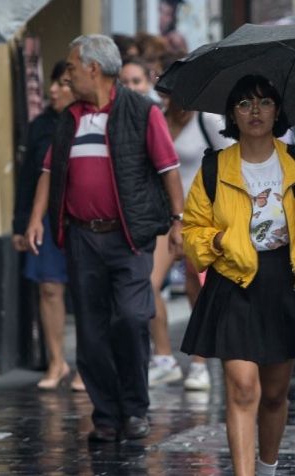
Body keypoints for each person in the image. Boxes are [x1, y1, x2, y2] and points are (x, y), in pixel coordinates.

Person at [24, 35, 184, 442]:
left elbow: (168, 168)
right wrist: (36, 219)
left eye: (73, 68)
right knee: (92, 331)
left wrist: (179, 219)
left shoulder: (142, 112)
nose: (68, 75)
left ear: (93, 69)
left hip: (128, 236)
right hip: (82, 238)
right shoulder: (68, 119)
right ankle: (107, 416)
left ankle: (135, 408)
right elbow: (48, 172)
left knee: (131, 318)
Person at [180, 75, 295, 476]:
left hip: (284, 280)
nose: (255, 111)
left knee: (273, 394)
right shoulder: (215, 167)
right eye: (245, 104)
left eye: (265, 102)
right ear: (232, 114)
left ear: (277, 111)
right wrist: (218, 241)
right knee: (243, 389)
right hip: (233, 282)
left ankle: (267, 468)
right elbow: (193, 230)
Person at [147, 98, 232, 390]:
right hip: (166, 216)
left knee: (198, 290)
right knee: (148, 285)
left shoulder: (206, 120)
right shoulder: (156, 118)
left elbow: (229, 163)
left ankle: (199, 363)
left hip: (201, 217)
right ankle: (163, 358)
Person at [12, 61, 85, 393]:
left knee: (87, 292)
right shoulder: (41, 125)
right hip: (47, 216)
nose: (53, 90)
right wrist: (21, 223)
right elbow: (28, 178)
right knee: (49, 288)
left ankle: (87, 364)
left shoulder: (91, 121)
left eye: (63, 84)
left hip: (84, 215)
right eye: (53, 83)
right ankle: (57, 360)